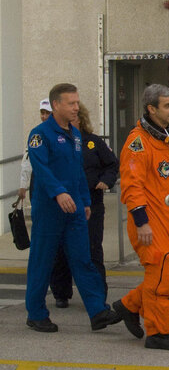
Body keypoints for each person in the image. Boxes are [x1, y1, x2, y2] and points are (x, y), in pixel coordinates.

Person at [24, 83, 121, 333]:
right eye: (71, 103)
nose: (76, 107)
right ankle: (36, 314)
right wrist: (59, 193)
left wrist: (85, 202)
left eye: (77, 103)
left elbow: (78, 172)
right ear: (56, 105)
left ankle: (98, 311)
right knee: (42, 261)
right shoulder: (39, 135)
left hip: (75, 209)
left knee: (83, 259)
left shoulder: (76, 135)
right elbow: (42, 170)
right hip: (49, 211)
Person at [112, 84, 169, 350]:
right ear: (151, 109)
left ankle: (128, 305)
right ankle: (158, 333)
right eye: (167, 106)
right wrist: (141, 222)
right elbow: (131, 186)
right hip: (150, 222)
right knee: (164, 272)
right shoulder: (138, 143)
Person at [50, 102, 119, 306]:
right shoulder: (57, 141)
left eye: (73, 118)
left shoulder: (93, 142)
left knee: (91, 249)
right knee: (61, 250)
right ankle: (61, 293)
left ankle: (97, 296)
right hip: (62, 203)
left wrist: (106, 180)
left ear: (81, 120)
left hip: (91, 202)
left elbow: (112, 164)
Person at [16, 99, 53, 205]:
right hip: (39, 182)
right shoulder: (36, 134)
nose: (44, 116)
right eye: (42, 113)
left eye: (48, 113)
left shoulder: (62, 132)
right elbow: (28, 160)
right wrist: (23, 185)